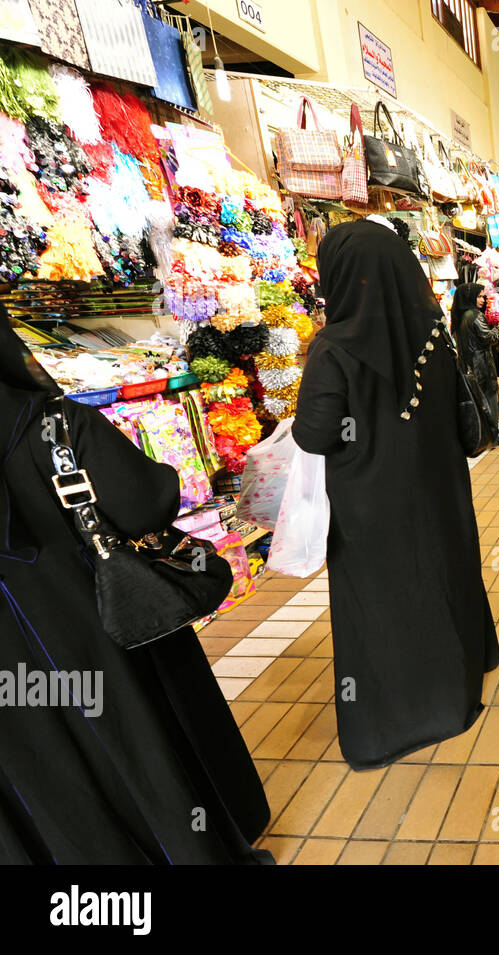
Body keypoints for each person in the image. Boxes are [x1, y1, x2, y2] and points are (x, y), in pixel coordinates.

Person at [0, 312, 272, 863]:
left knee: (39, 772)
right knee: (135, 744)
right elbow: (143, 501)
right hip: (101, 626)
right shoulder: (51, 425)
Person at [293, 220, 499, 771]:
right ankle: (457, 681)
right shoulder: (435, 331)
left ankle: (402, 717)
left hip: (371, 508)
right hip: (439, 490)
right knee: (445, 575)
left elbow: (314, 435)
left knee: (386, 603)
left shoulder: (334, 348)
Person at [451, 283, 499, 447]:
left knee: (476, 401)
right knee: (489, 399)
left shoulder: (460, 316)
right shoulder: (475, 315)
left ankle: (482, 436)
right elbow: (487, 338)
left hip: (467, 364)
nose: (483, 299)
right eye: (480, 296)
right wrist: (497, 327)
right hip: (481, 365)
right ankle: (492, 436)